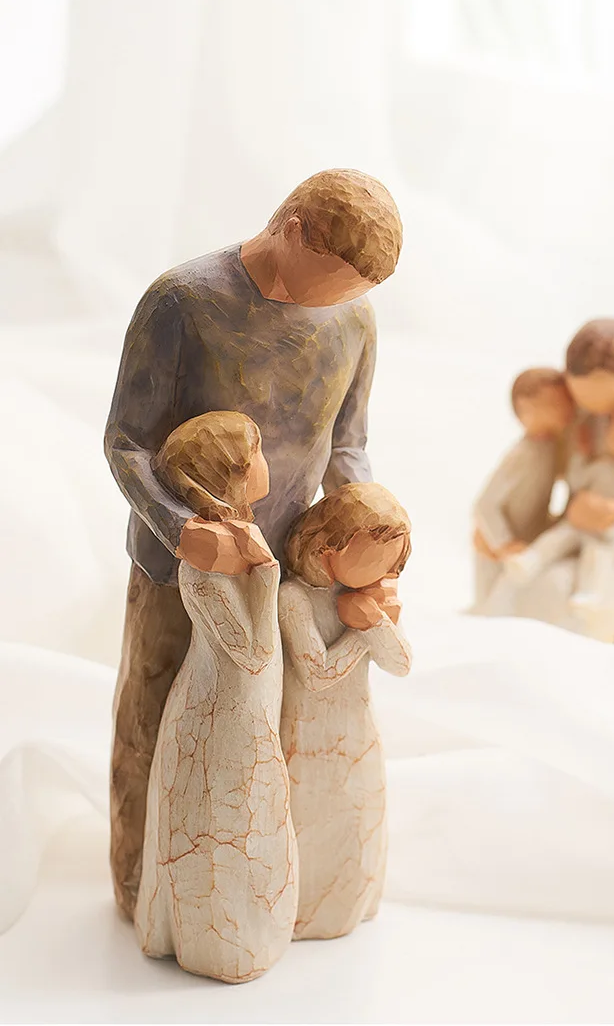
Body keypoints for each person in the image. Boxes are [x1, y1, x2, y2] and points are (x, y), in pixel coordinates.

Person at [105, 168, 402, 918]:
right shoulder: (183, 302)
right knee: (156, 713)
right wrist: (182, 530)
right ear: (294, 231)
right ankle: (141, 886)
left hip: (290, 567)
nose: (338, 304)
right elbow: (128, 443)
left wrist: (367, 543)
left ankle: (240, 892)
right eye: (332, 282)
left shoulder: (354, 321)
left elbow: (347, 447)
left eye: (355, 292)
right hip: (182, 566)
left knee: (262, 733)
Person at [133, 412, 297, 984]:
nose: (266, 462)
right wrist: (267, 572)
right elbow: (252, 651)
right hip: (222, 713)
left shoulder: (237, 543)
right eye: (255, 454)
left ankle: (247, 931)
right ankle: (220, 942)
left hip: (245, 706)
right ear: (226, 475)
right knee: (226, 820)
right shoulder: (205, 567)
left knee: (246, 816)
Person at [278, 483, 412, 940]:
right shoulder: (294, 598)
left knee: (359, 814)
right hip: (308, 733)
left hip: (356, 727)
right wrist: (359, 632)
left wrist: (376, 622)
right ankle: (304, 912)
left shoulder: (366, 598)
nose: (386, 571)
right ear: (327, 547)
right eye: (377, 558)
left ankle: (354, 900)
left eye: (394, 561)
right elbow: (316, 673)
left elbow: (401, 663)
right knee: (312, 818)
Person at [497, 400, 614, 623]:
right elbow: (576, 480)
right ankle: (529, 561)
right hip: (579, 524)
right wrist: (581, 454)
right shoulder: (603, 466)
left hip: (608, 536)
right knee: (557, 538)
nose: (609, 432)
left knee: (597, 557)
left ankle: (588, 595)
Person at [471, 368, 575, 614]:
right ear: (525, 410)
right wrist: (503, 542)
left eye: (565, 402)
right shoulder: (523, 454)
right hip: (501, 545)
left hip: (528, 539)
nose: (564, 409)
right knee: (493, 602)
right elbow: (485, 504)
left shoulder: (551, 448)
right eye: (553, 404)